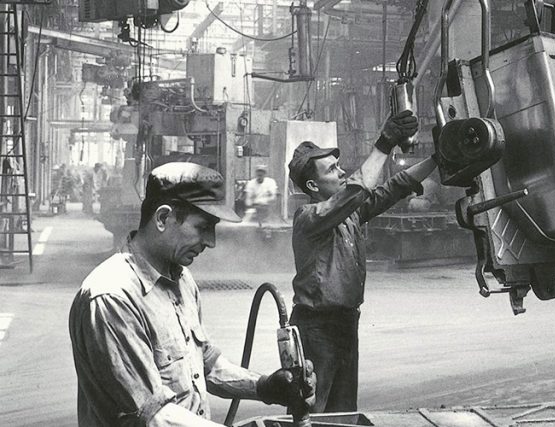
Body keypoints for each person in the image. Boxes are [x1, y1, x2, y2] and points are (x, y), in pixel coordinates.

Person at [69, 162, 315, 426]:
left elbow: (206, 366)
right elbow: (150, 416)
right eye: (202, 227)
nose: (211, 242)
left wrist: (265, 386)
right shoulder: (112, 298)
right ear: (163, 218)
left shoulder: (182, 279)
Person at [287, 110, 435, 412]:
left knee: (342, 412)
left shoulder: (351, 213)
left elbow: (393, 188)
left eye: (340, 167)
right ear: (313, 187)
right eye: (332, 170)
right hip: (316, 328)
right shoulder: (308, 217)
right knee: (310, 412)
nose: (341, 172)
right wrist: (383, 145)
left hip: (345, 323)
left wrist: (438, 160)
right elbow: (357, 190)